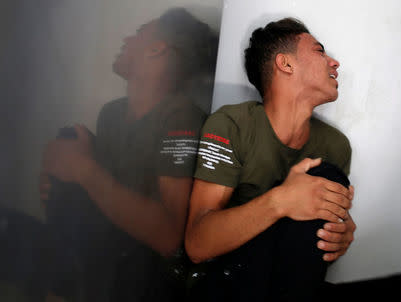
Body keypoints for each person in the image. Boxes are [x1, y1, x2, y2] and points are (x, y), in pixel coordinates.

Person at [39, 7, 218, 302]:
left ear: (156, 49)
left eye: (138, 33)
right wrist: (61, 180)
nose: (126, 39)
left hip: (146, 281)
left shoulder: (180, 117)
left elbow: (169, 238)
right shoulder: (111, 114)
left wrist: (82, 170)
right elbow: (105, 200)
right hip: (104, 267)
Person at [184, 17, 356, 301]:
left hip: (287, 281)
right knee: (323, 175)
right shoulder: (231, 125)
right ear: (285, 64)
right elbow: (197, 244)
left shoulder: (336, 146)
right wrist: (282, 201)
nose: (334, 63)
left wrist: (339, 235)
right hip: (228, 279)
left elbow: (310, 250)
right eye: (320, 51)